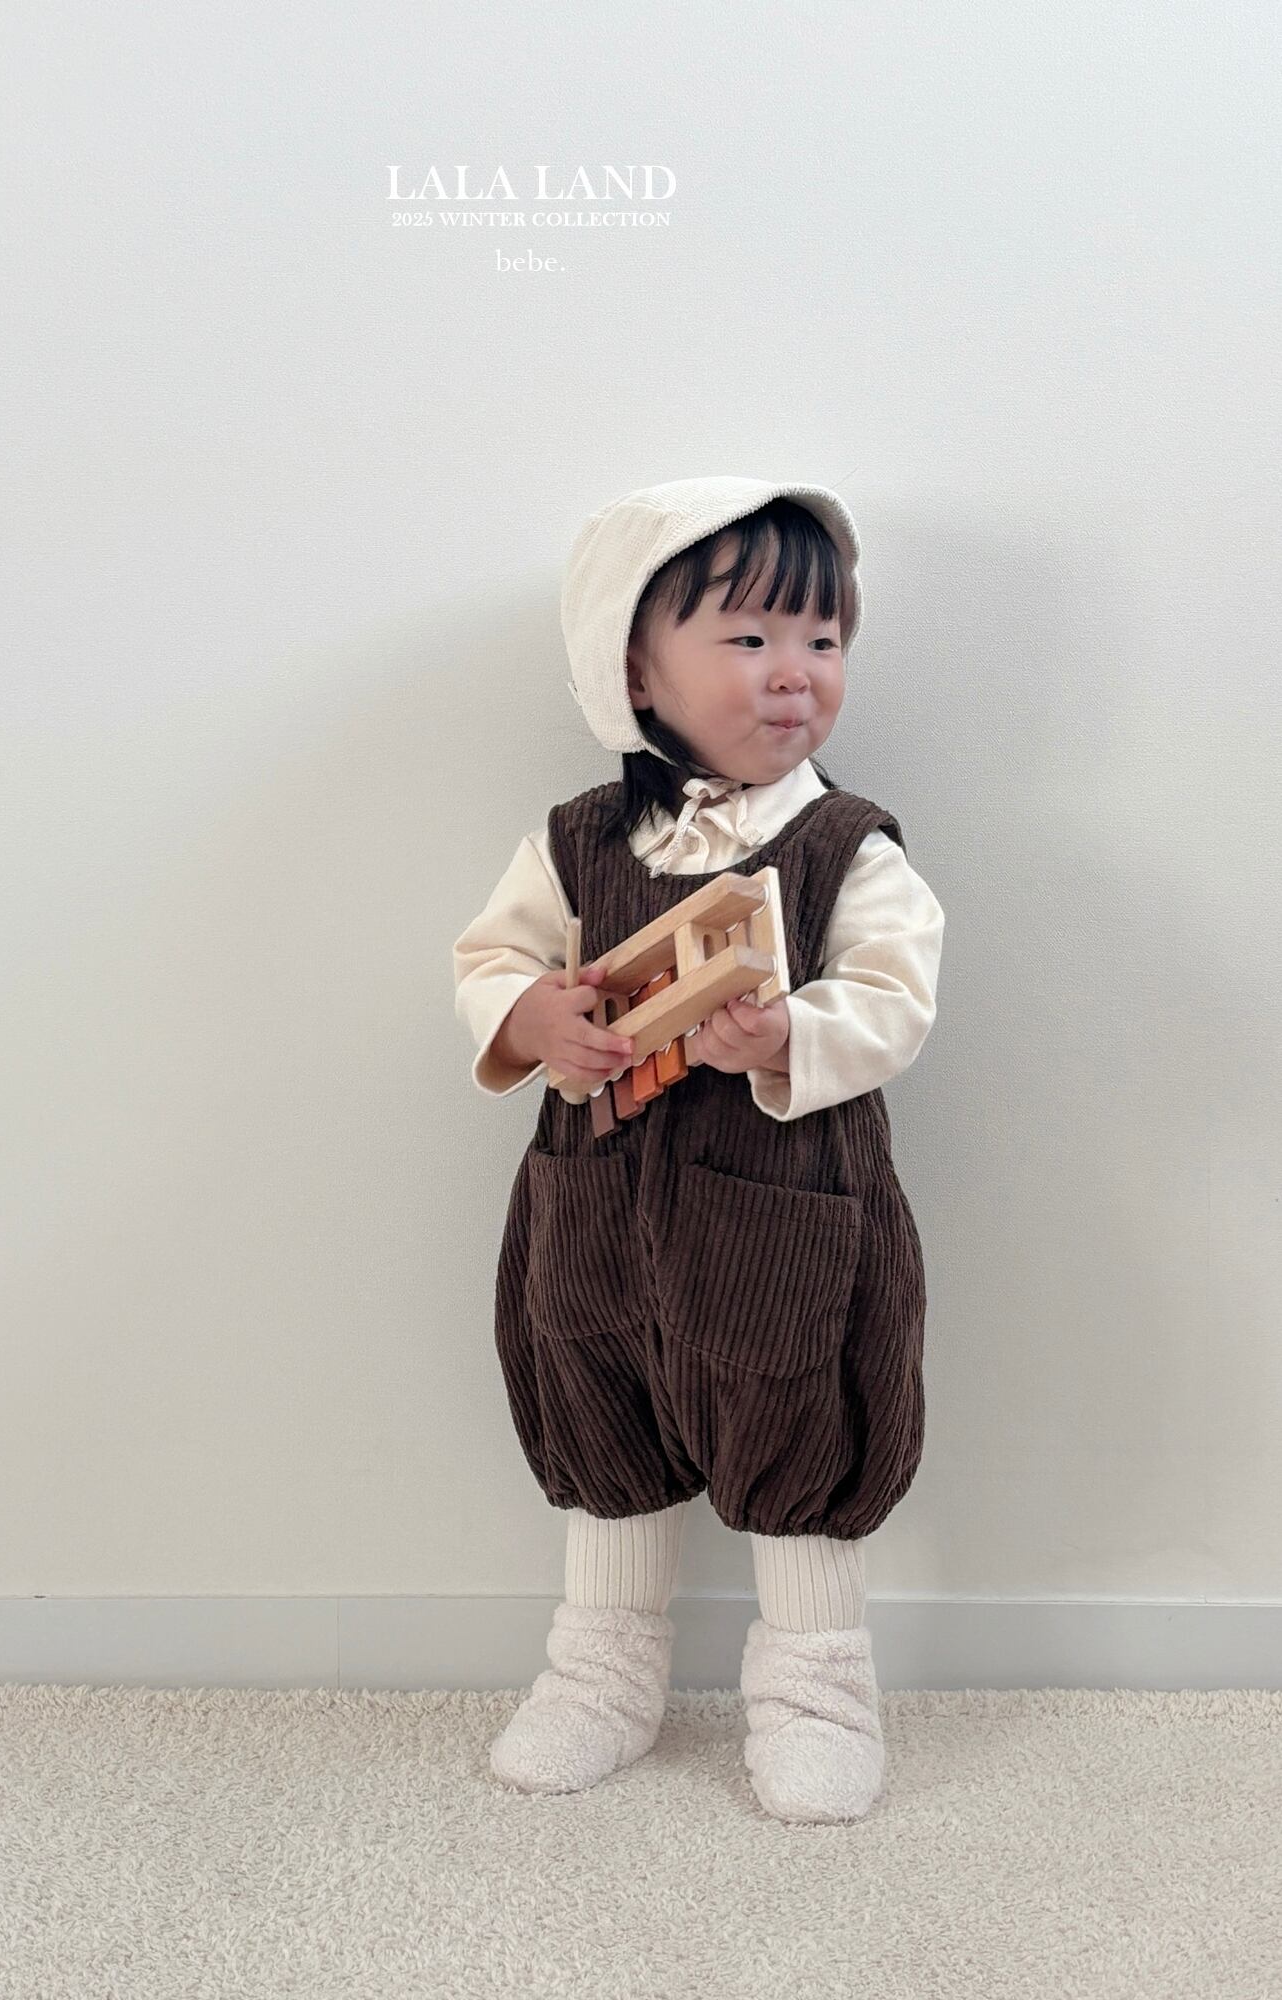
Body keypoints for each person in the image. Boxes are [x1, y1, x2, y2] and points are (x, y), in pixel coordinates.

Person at [451, 475, 945, 1822]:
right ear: (634, 670)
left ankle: (818, 1690)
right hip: (598, 1203)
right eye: (749, 638)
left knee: (797, 1415)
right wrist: (532, 1015)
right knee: (600, 1404)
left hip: (784, 1209)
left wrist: (791, 1035)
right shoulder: (575, 843)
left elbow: (896, 998)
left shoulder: (848, 847)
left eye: (823, 640)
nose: (795, 672)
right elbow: (491, 958)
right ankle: (602, 1676)